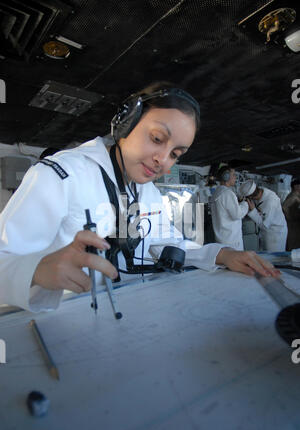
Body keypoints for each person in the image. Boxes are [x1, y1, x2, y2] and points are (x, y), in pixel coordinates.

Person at [0, 82, 279, 313]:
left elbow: (166, 242)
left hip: (137, 317)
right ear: (125, 123)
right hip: (69, 327)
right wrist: (36, 269)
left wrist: (221, 254)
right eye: (157, 139)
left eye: (175, 154)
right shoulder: (60, 174)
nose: (163, 162)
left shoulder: (147, 191)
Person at [240, 180, 288, 252]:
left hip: (275, 233)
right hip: (267, 231)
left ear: (251, 197)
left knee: (273, 258)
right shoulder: (261, 192)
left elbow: (264, 225)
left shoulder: (270, 202)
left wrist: (253, 210)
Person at [210, 166, 249, 250]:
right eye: (233, 174)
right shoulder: (227, 193)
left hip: (221, 240)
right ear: (226, 177)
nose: (235, 177)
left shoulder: (216, 193)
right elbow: (237, 215)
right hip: (232, 242)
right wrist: (245, 204)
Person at [283, 177, 300, 251]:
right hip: (292, 226)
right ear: (296, 186)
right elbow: (284, 207)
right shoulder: (294, 196)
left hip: (295, 225)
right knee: (293, 246)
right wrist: (290, 218)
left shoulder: (297, 196)